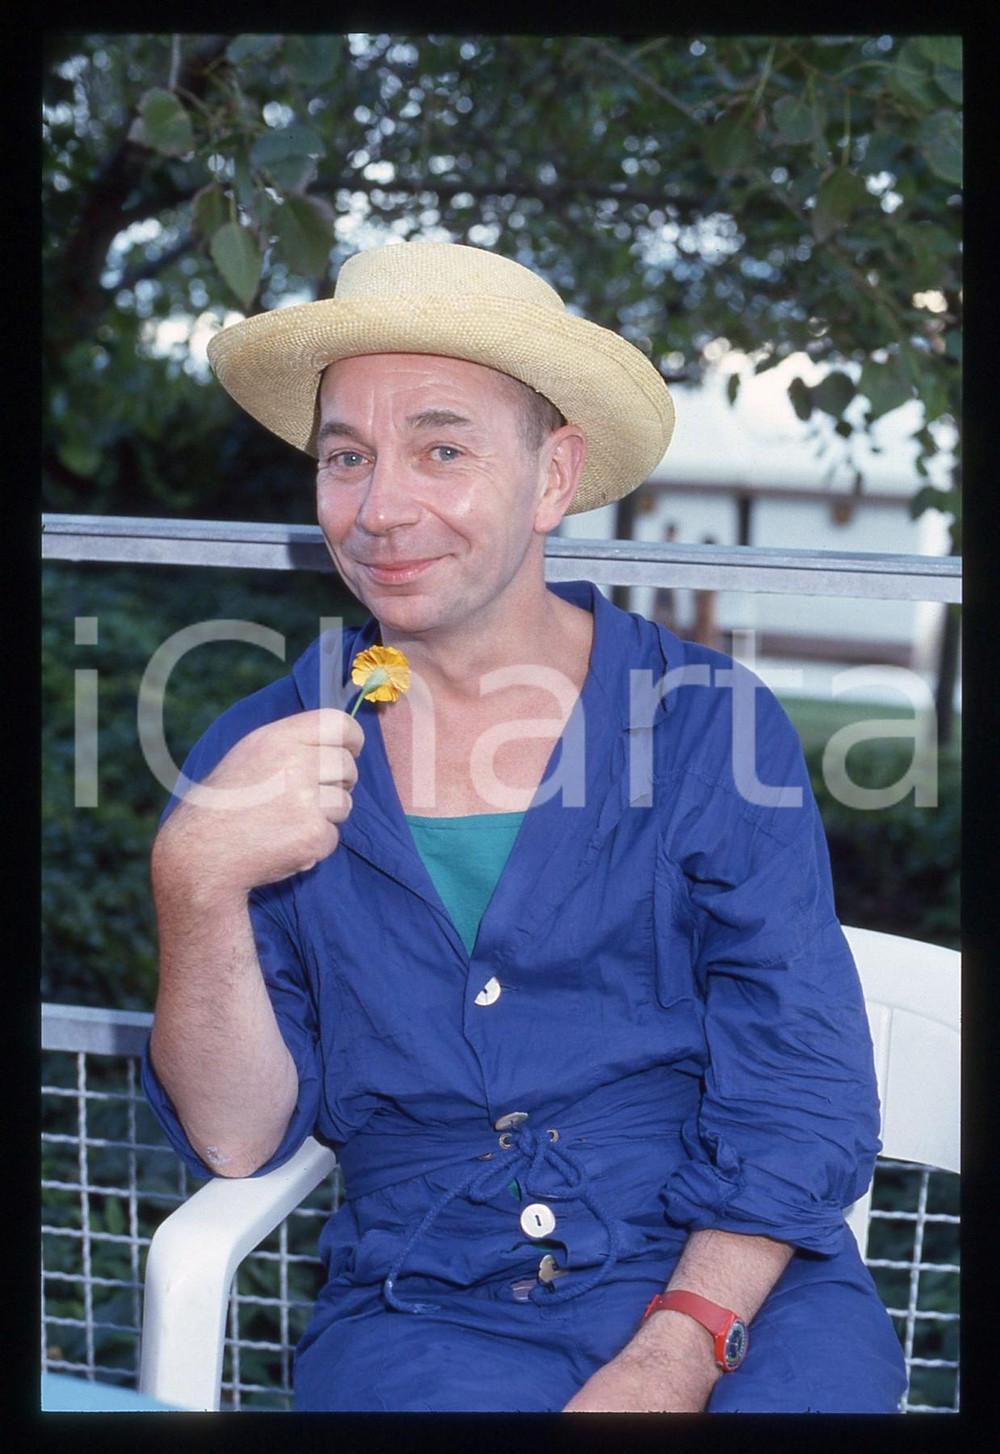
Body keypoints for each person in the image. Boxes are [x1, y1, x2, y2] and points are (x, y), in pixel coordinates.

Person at [142, 240, 907, 1413]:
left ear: (553, 476)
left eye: (441, 449)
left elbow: (801, 1080)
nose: (381, 507)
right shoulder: (259, 753)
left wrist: (677, 1346)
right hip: (424, 1304)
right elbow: (237, 1138)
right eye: (346, 456)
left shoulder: (704, 723)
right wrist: (193, 884)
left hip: (735, 1284)